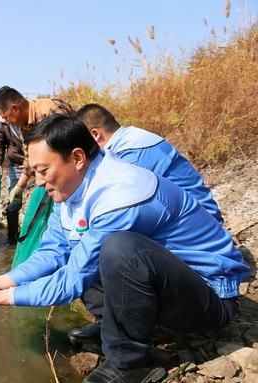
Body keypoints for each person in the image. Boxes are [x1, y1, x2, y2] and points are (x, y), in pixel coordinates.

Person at [0, 114, 248, 383]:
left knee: (119, 249)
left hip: (209, 300)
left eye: (43, 170)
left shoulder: (120, 194)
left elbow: (70, 282)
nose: (38, 183)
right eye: (34, 171)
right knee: (86, 248)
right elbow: (52, 254)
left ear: (77, 157)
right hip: (168, 287)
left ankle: (130, 364)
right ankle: (113, 326)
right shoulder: (70, 188)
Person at [70, 103, 224, 346]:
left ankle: (129, 339)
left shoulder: (131, 153)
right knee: (83, 242)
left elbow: (121, 216)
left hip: (193, 241)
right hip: (169, 231)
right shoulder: (126, 143)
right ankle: (111, 320)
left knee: (106, 245)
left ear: (94, 136)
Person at [76, 103, 222, 223]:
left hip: (201, 227)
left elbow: (117, 206)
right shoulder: (132, 139)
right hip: (195, 219)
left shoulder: (132, 152)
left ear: (95, 134)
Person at [0, 85, 72, 205]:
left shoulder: (51, 111)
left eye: (6, 117)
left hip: (70, 180)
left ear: (15, 109)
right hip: (53, 180)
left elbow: (70, 150)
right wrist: (19, 187)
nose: (7, 122)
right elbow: (29, 159)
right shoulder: (24, 126)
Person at [0, 117, 24, 244]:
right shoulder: (1, 124)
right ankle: (12, 239)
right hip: (15, 164)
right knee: (13, 200)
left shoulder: (26, 116)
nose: (4, 117)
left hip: (36, 161)